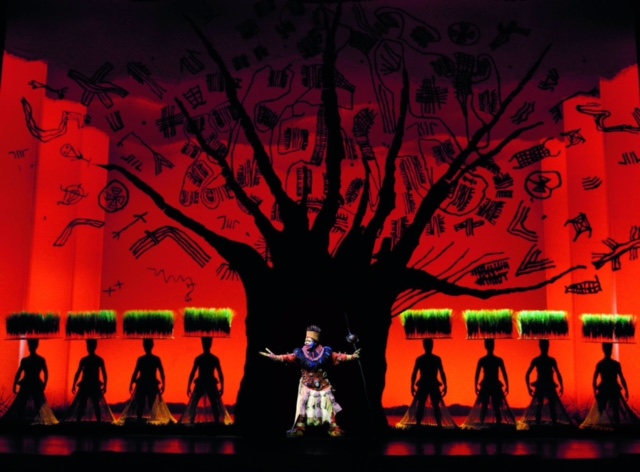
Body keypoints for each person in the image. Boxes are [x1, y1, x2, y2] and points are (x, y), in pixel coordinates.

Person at [259, 325, 360, 437]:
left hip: (323, 385)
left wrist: (352, 356)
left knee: (329, 406)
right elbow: (288, 357)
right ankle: (299, 428)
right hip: (307, 385)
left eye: (309, 340)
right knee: (302, 406)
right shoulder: (300, 353)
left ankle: (333, 428)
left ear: (315, 341)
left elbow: (338, 356)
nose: (306, 342)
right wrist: (275, 357)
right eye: (305, 340)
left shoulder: (326, 352)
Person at [396, 338, 457, 429]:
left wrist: (446, 385)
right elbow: (414, 373)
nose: (430, 347)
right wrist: (411, 386)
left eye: (430, 345)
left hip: (431, 383)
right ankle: (420, 424)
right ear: (425, 346)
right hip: (425, 383)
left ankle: (436, 424)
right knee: (422, 405)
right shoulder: (423, 359)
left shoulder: (434, 359)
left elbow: (442, 372)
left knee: (434, 405)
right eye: (428, 345)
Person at [580, 342, 640, 430]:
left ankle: (614, 426)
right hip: (609, 387)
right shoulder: (608, 364)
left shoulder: (607, 364)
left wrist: (626, 389)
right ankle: (609, 426)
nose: (609, 351)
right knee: (606, 408)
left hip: (609, 388)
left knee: (612, 408)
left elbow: (621, 378)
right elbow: (595, 379)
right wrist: (594, 390)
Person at [116, 338, 175, 425]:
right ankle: (143, 421)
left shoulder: (149, 359)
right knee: (144, 404)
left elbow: (136, 372)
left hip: (147, 384)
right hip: (146, 384)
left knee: (146, 404)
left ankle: (144, 421)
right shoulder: (149, 359)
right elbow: (136, 372)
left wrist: (131, 383)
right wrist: (131, 383)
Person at [518, 339, 574, 429]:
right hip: (542, 385)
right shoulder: (539, 360)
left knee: (550, 406)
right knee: (542, 406)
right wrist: (528, 388)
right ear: (541, 347)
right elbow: (527, 374)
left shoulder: (548, 360)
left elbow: (558, 373)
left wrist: (562, 385)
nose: (545, 348)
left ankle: (548, 424)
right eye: (544, 346)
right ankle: (540, 424)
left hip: (548, 385)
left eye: (546, 346)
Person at [1, 338, 58, 425]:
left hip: (31, 383)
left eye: (31, 345)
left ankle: (34, 420)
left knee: (35, 403)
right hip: (31, 383)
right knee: (26, 403)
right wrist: (14, 384)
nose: (30, 347)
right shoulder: (32, 360)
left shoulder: (34, 360)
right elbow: (19, 373)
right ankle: (23, 420)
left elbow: (46, 373)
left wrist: (44, 384)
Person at [462, 338, 515, 429]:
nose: (491, 346)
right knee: (487, 407)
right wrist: (475, 386)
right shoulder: (485, 360)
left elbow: (504, 373)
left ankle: (494, 424)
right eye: (491, 344)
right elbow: (477, 374)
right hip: (488, 385)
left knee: (494, 406)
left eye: (492, 344)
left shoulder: (495, 360)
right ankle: (485, 424)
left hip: (493, 385)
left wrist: (507, 385)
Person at [179, 336, 232, 425]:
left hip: (207, 382)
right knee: (196, 404)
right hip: (204, 382)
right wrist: (188, 386)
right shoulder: (204, 359)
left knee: (212, 404)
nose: (205, 345)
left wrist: (223, 387)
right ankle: (193, 422)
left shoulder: (209, 359)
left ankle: (215, 422)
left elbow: (220, 373)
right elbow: (193, 373)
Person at [65, 339, 115, 423]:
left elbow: (104, 374)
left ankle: (94, 421)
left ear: (94, 347)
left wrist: (105, 386)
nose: (88, 348)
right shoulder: (88, 360)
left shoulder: (95, 360)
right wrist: (73, 384)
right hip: (87, 384)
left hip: (92, 384)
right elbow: (78, 373)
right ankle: (81, 421)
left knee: (93, 404)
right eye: (88, 346)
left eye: (89, 346)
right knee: (85, 404)